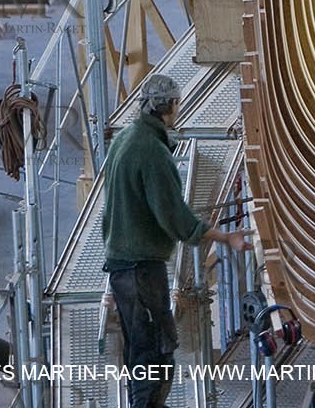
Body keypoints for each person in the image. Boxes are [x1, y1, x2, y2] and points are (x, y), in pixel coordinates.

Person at [102, 74, 249, 408]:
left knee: (140, 357)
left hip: (122, 268)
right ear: (169, 106)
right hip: (142, 271)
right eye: (177, 104)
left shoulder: (123, 139)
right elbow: (177, 219)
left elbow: (108, 212)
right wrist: (225, 237)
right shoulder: (152, 152)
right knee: (156, 358)